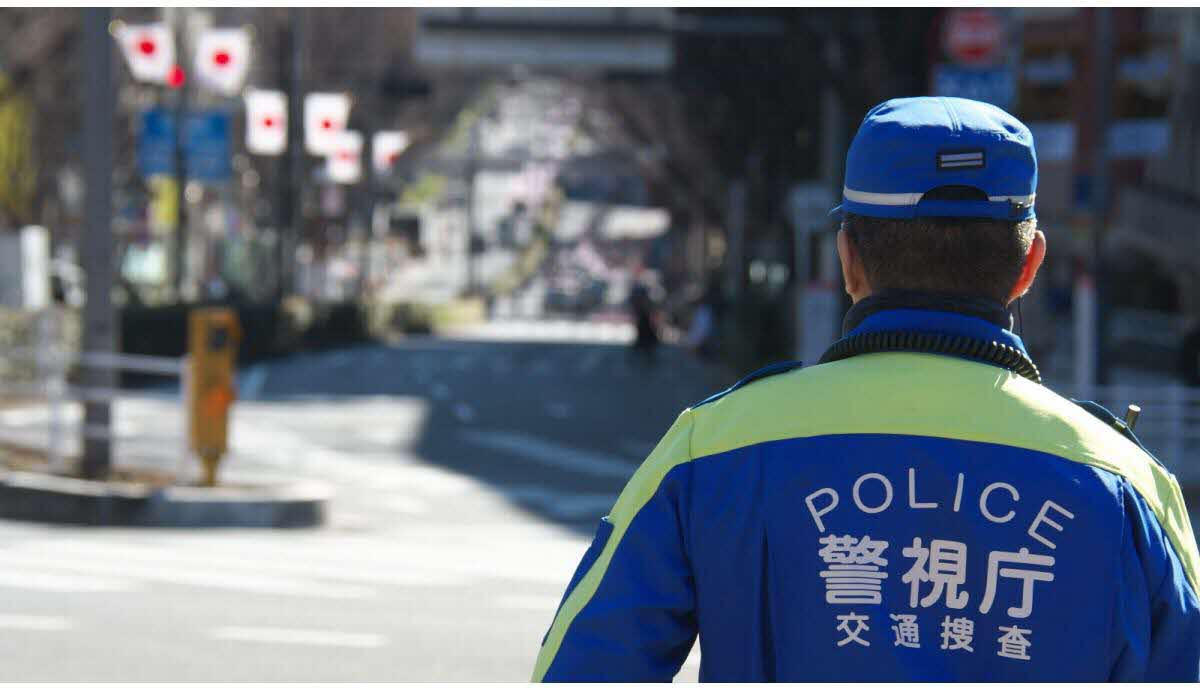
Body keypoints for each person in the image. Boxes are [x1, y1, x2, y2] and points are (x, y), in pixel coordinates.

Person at [531, 97, 1200, 682]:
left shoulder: (711, 450)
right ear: (1028, 265)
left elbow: (585, 667)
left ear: (848, 257)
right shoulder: (1127, 485)